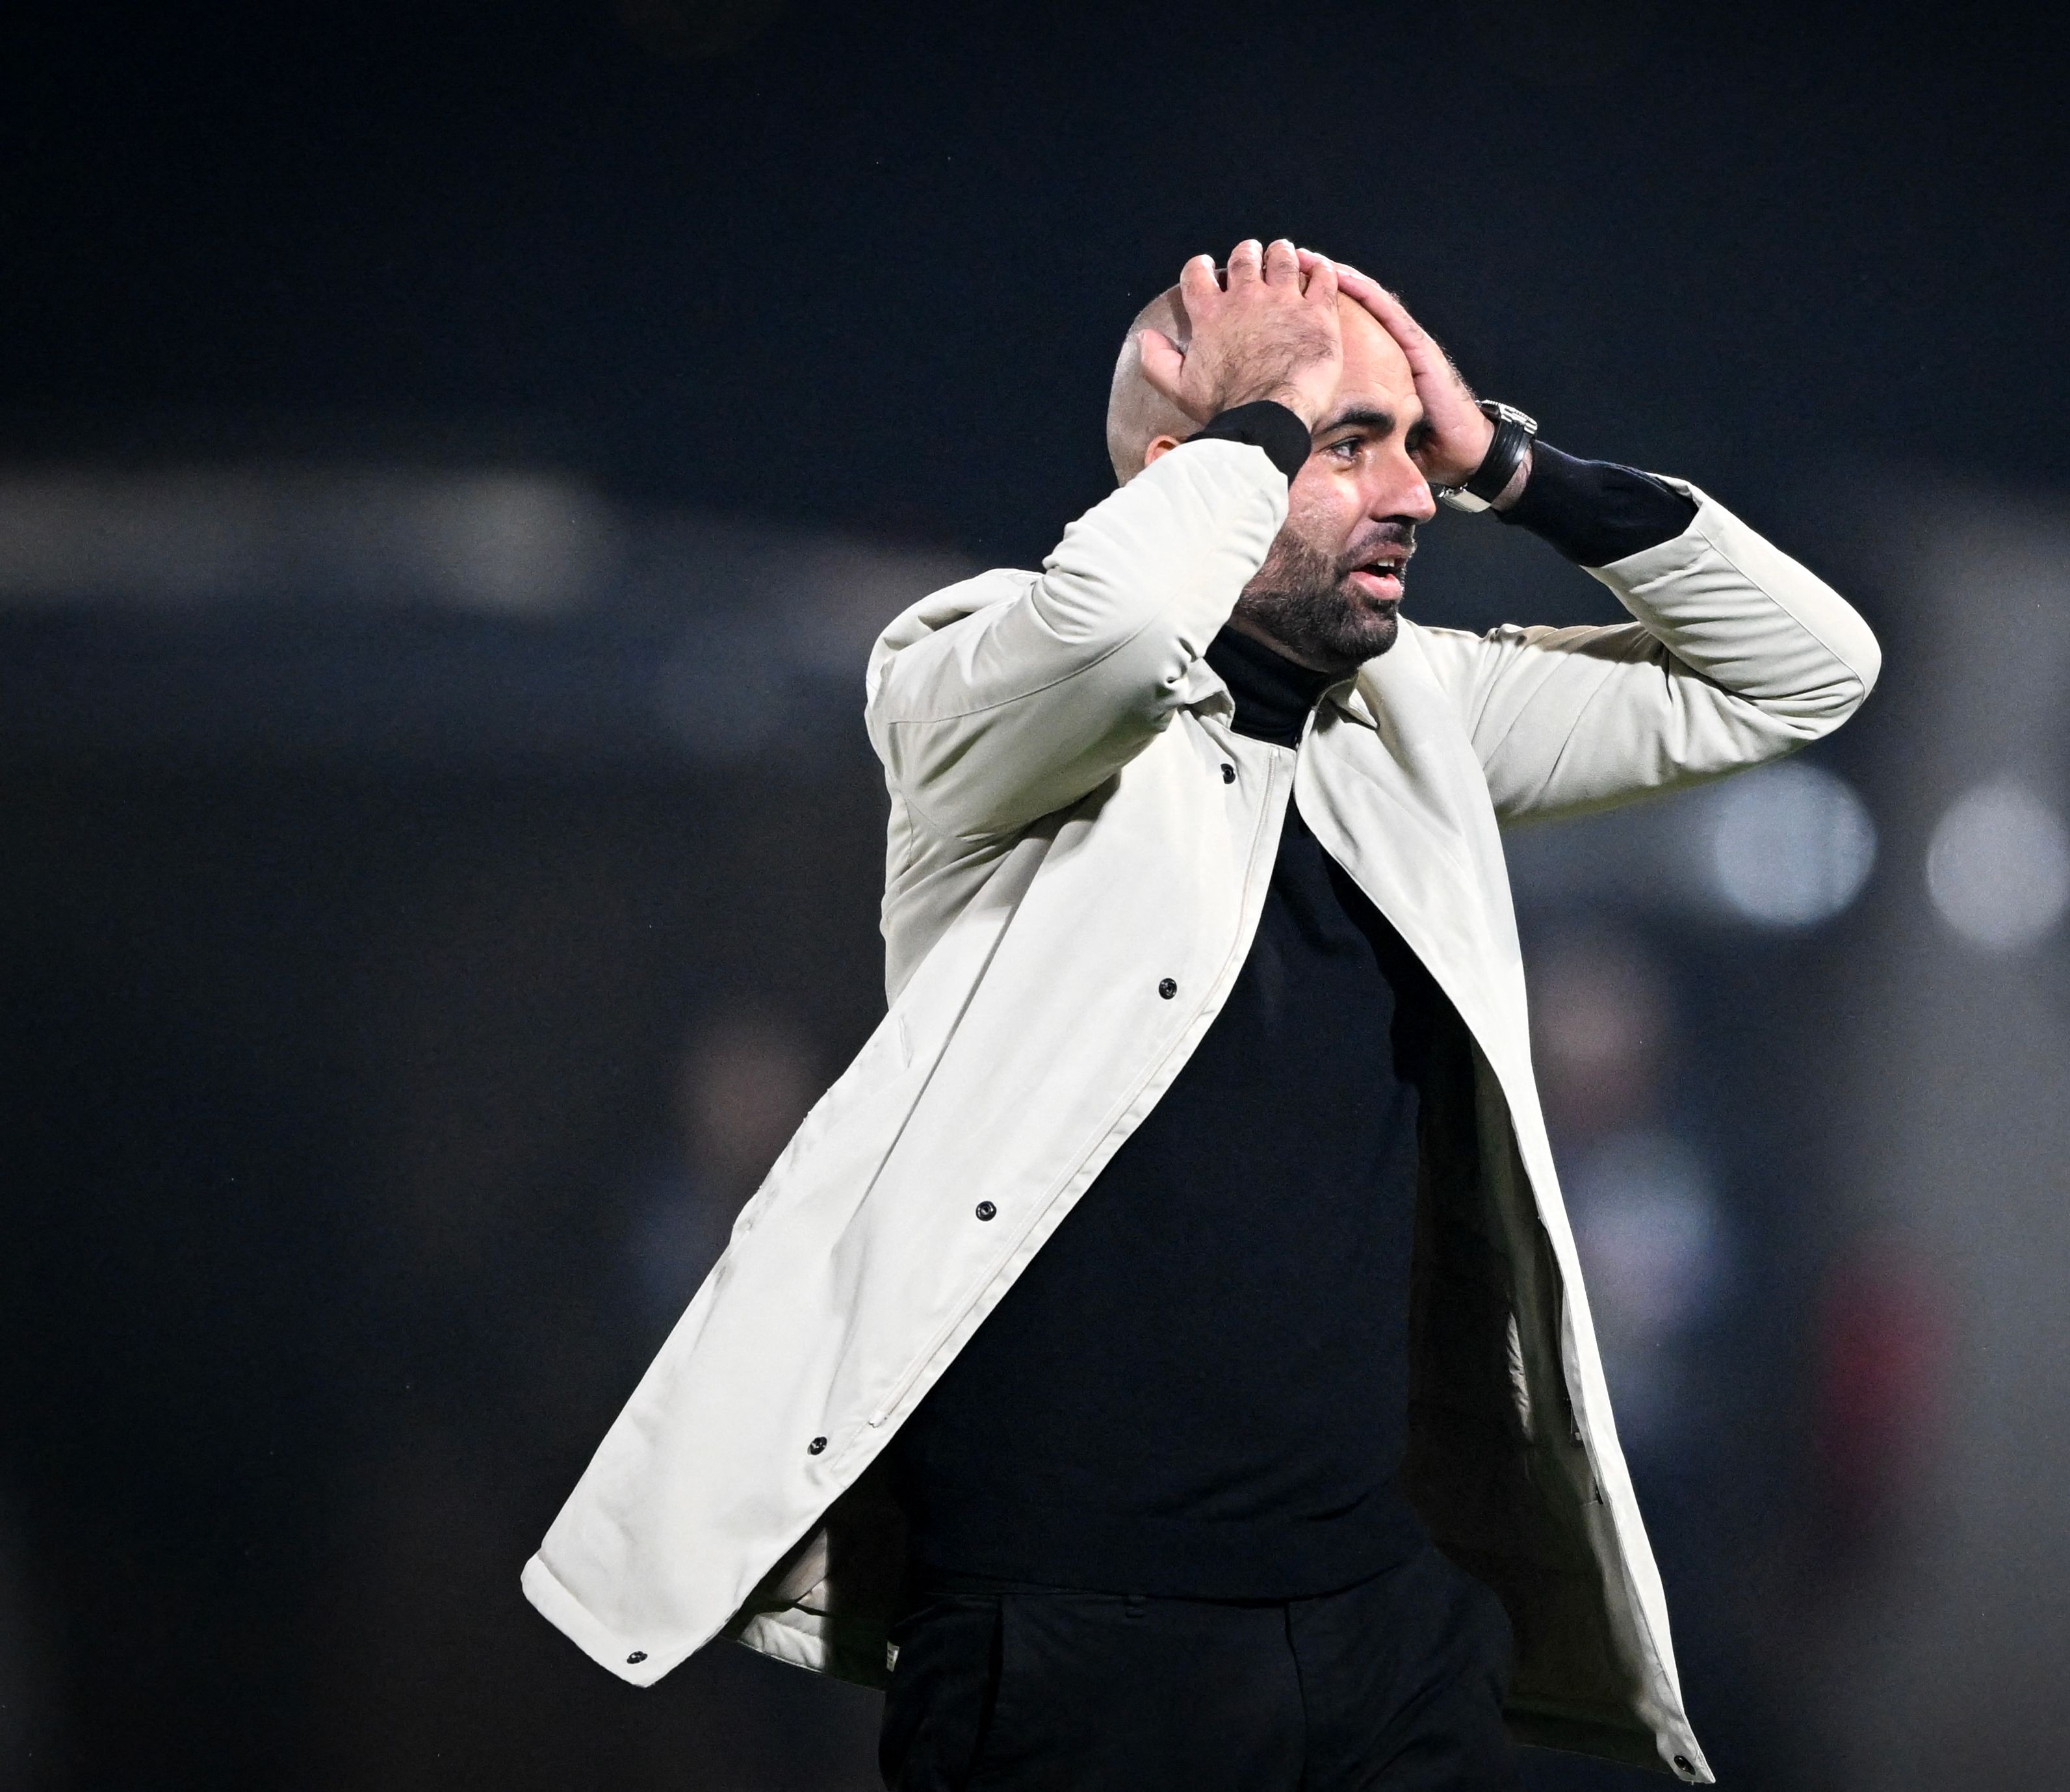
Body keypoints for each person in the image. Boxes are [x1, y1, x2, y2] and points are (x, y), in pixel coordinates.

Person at [522, 239, 1881, 1789]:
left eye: (1406, 442)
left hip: (1388, 1619)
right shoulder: (973, 682)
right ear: (1194, 471)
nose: (1411, 494)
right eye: (1346, 445)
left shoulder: (1415, 714)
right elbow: (1105, 635)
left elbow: (1800, 675)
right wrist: (1257, 427)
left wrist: (1509, 456)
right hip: (1075, 1629)